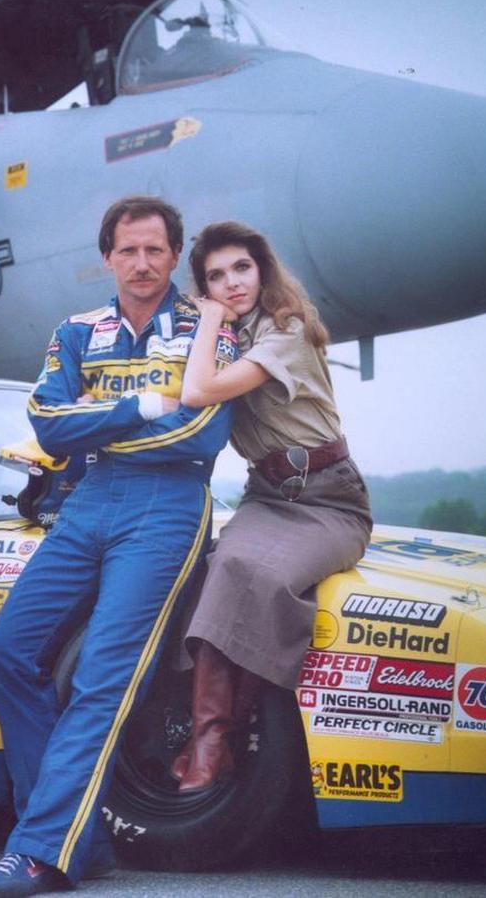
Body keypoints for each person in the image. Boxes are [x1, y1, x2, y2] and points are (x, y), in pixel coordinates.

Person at [0, 196, 234, 897]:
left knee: (105, 679)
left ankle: (38, 851)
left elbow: (203, 434)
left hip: (169, 505)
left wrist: (103, 426)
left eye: (155, 250)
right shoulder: (77, 330)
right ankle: (77, 839)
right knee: (8, 654)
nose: (142, 263)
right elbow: (50, 427)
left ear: (175, 256)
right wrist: (139, 407)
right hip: (89, 501)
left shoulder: (207, 327)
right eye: (128, 251)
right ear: (107, 257)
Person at [172, 220, 372, 793]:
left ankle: (219, 738)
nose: (232, 283)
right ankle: (209, 735)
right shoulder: (235, 332)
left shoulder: (285, 330)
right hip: (267, 495)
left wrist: (207, 317)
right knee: (219, 568)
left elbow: (198, 391)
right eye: (216, 276)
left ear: (262, 269)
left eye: (241, 268)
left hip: (330, 500)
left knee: (259, 576)